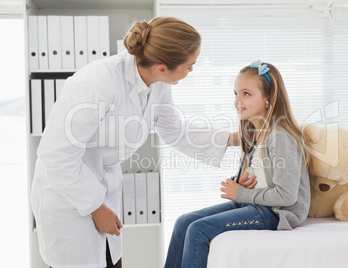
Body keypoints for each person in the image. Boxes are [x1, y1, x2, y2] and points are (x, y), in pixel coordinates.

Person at [31, 17, 238, 268]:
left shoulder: (158, 84)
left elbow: (176, 131)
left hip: (101, 187)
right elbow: (56, 156)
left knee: (109, 261)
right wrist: (96, 208)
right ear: (162, 68)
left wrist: (234, 139)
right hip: (69, 195)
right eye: (189, 66)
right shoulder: (97, 84)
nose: (191, 71)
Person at [164, 60, 311, 268]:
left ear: (268, 98)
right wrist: (239, 184)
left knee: (199, 230)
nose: (237, 101)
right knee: (183, 223)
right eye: (235, 94)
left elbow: (286, 196)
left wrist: (239, 194)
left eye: (246, 94)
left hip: (276, 212)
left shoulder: (280, 137)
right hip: (255, 203)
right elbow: (259, 177)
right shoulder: (253, 133)